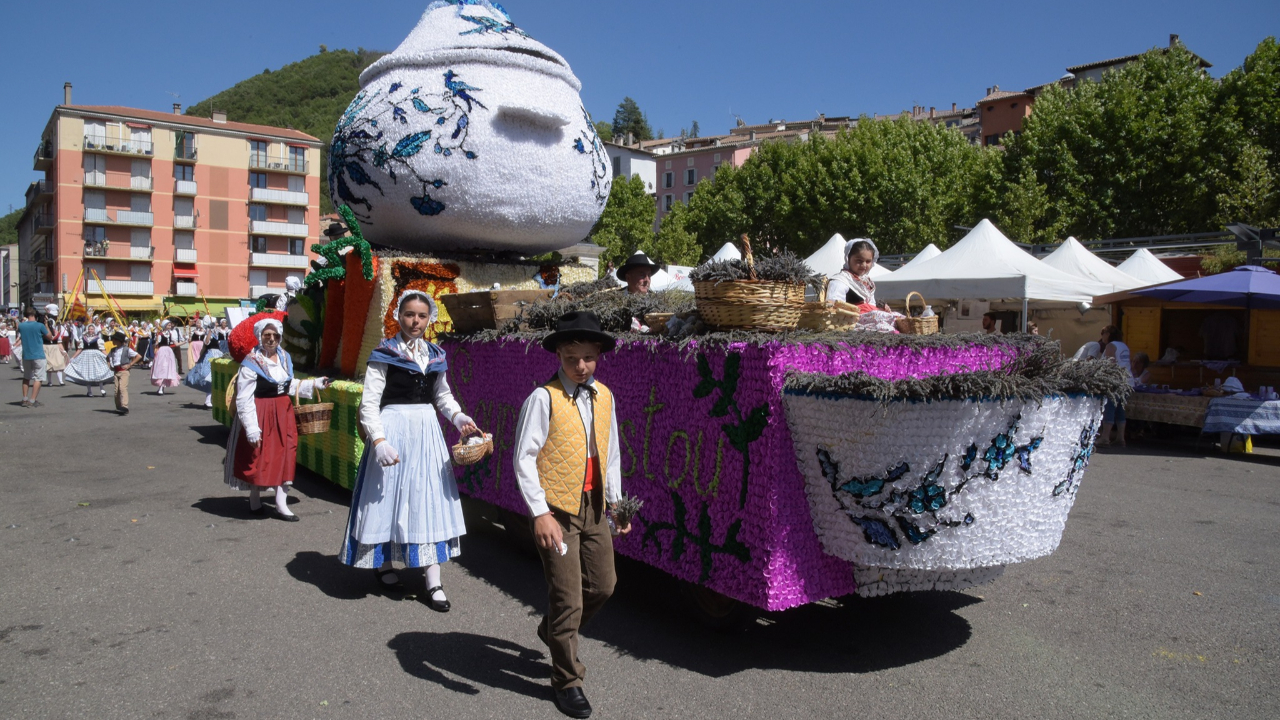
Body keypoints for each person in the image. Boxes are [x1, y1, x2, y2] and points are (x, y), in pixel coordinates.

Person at [513, 311, 629, 719]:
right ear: (559, 355)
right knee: (568, 598)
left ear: (598, 354)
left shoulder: (605, 396)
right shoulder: (543, 398)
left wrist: (617, 503)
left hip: (594, 507)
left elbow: (610, 453)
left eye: (588, 358)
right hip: (557, 511)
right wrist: (540, 513)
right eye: (571, 358)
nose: (580, 366)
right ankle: (567, 680)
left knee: (604, 585)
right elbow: (524, 458)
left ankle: (551, 631)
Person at [339, 290, 479, 611]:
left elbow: (442, 395)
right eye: (409, 314)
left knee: (428, 501)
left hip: (426, 434)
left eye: (421, 315)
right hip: (393, 431)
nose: (415, 321)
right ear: (398, 316)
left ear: (429, 319)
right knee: (386, 498)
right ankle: (384, 564)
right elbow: (369, 404)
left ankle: (433, 580)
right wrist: (379, 441)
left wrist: (458, 417)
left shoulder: (435, 354)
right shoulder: (384, 353)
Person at [224, 318, 327, 521]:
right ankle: (255, 498)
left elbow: (288, 385)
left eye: (275, 335)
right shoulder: (251, 362)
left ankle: (281, 503)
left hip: (283, 412)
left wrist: (314, 384)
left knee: (286, 453)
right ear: (260, 336)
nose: (272, 339)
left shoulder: (284, 357)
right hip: (261, 412)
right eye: (267, 335)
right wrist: (251, 427)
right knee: (259, 455)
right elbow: (244, 398)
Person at [826, 239, 888, 309]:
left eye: (868, 261)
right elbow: (834, 307)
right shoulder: (840, 281)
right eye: (859, 261)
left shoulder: (867, 283)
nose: (864, 265)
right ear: (848, 259)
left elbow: (871, 305)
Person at [1098, 325, 1131, 447]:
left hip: (1115, 382)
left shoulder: (1110, 346)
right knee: (1120, 410)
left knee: (1109, 408)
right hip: (1126, 381)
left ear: (1108, 334)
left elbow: (1110, 363)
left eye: (1103, 334)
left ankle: (1105, 438)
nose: (1102, 337)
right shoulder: (1124, 346)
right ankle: (1120, 438)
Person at [65, 322, 113, 397]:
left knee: (98, 372)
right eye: (89, 329)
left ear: (94, 330)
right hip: (86, 358)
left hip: (96, 357)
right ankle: (89, 391)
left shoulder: (98, 339)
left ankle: (102, 389)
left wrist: (108, 357)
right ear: (87, 330)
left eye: (92, 329)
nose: (90, 330)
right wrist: (73, 357)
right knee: (87, 374)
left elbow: (102, 349)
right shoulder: (83, 339)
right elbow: (80, 349)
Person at [19, 308, 53, 408]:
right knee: (38, 377)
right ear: (35, 315)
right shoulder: (40, 325)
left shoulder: (21, 326)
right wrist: (46, 325)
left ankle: (24, 398)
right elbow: (50, 336)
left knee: (26, 377)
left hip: (26, 354)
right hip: (38, 355)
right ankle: (32, 400)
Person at [184, 334, 225, 408]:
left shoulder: (221, 334)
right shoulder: (209, 336)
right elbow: (205, 344)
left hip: (220, 355)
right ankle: (208, 401)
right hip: (210, 356)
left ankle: (213, 400)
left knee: (218, 379)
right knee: (210, 378)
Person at [106, 332, 140, 415]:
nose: (112, 341)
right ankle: (119, 406)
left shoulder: (126, 349)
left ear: (118, 341)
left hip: (124, 371)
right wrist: (109, 365)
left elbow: (138, 356)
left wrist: (130, 364)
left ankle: (124, 406)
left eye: (114, 340)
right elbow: (108, 357)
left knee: (122, 388)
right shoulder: (113, 350)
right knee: (116, 390)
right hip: (116, 371)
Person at [151, 321, 181, 394]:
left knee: (167, 368)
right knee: (162, 368)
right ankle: (161, 387)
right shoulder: (160, 334)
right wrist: (155, 342)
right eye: (168, 325)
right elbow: (155, 344)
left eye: (170, 324)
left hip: (168, 352)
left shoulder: (170, 334)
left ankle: (161, 387)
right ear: (165, 326)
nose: (170, 325)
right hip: (161, 351)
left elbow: (176, 344)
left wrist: (186, 341)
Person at [42, 306, 69, 386]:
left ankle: (60, 381)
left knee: (59, 364)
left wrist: (63, 350)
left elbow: (59, 342)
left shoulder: (56, 331)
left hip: (54, 348)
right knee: (49, 366)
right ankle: (50, 382)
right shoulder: (43, 332)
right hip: (46, 348)